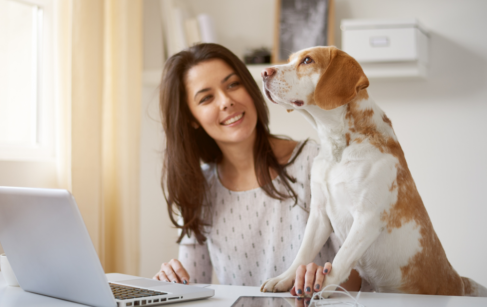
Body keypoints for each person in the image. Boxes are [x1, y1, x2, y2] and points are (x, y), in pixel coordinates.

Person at [153, 43, 371, 297]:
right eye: (206, 98)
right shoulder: (198, 188)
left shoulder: (316, 162)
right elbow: (195, 288)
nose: (226, 102)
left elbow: (363, 278)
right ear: (191, 118)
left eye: (233, 84)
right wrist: (171, 285)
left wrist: (326, 280)